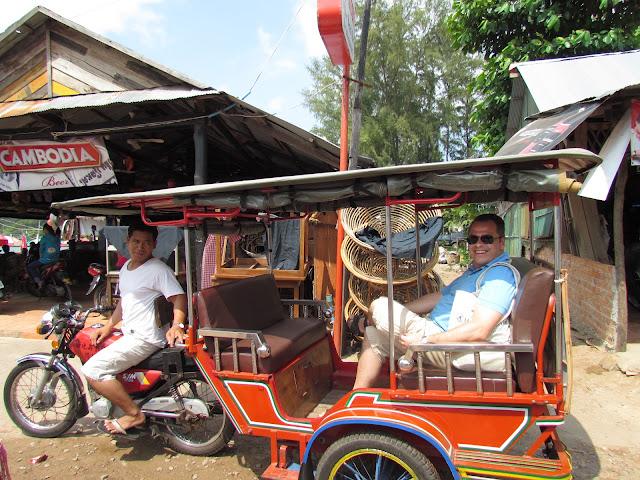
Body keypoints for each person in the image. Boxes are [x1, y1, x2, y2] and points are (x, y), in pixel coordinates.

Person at [353, 214, 519, 389]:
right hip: (437, 335)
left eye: (486, 239)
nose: (478, 244)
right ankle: (357, 396)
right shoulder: (476, 271)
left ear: (501, 242)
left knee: (378, 306)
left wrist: (427, 340)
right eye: (473, 239)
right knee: (373, 334)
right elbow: (438, 297)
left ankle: (362, 323)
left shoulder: (499, 275)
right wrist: (401, 311)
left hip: (452, 347)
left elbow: (480, 329)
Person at [80, 223, 187, 435]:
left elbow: (179, 298)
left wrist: (177, 325)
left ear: (154, 245)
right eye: (136, 242)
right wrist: (109, 326)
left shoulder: (158, 270)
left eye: (147, 243)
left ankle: (134, 414)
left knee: (93, 370)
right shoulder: (126, 267)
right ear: (127, 242)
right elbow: (124, 301)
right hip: (130, 334)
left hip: (144, 338)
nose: (141, 247)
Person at [26, 223, 60, 288]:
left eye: (44, 229)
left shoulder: (45, 238)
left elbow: (41, 249)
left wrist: (41, 257)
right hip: (56, 259)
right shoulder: (57, 237)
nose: (43, 231)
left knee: (30, 267)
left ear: (47, 229)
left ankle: (39, 281)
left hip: (46, 260)